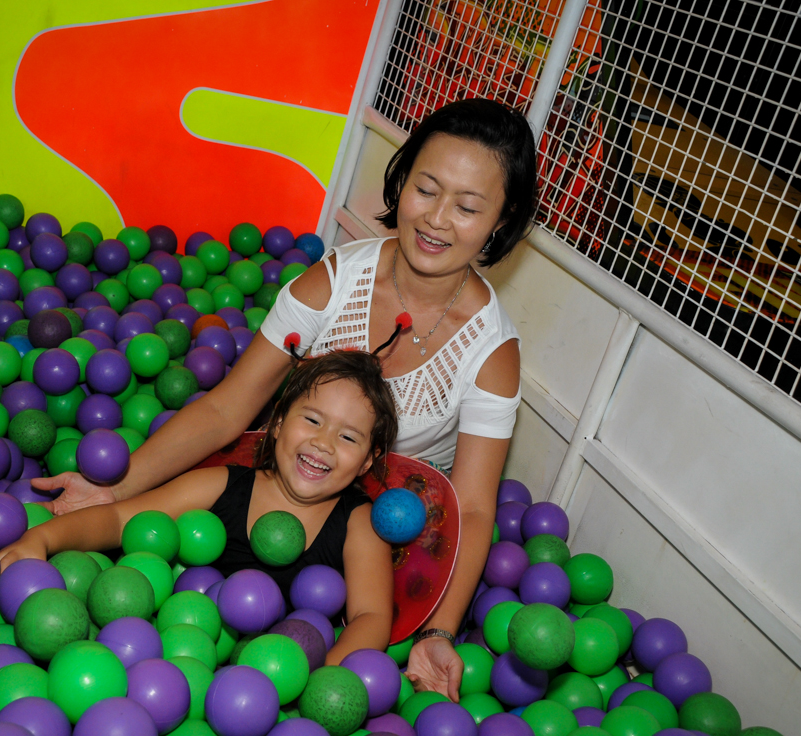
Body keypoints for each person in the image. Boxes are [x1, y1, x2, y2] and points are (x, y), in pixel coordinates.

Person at [31, 98, 537, 700]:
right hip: (289, 476)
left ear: (501, 223)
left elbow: (475, 508)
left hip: (389, 524)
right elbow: (229, 407)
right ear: (400, 181)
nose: (437, 220)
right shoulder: (332, 283)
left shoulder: (492, 351)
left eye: (469, 207)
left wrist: (443, 632)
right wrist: (118, 489)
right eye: (426, 189)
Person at [0, 349, 398, 663]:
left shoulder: (360, 523)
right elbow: (122, 518)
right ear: (277, 423)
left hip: (281, 674)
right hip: (166, 648)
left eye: (348, 438)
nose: (323, 443)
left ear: (367, 460)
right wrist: (43, 538)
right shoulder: (221, 484)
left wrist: (320, 679)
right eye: (312, 420)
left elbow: (372, 618)